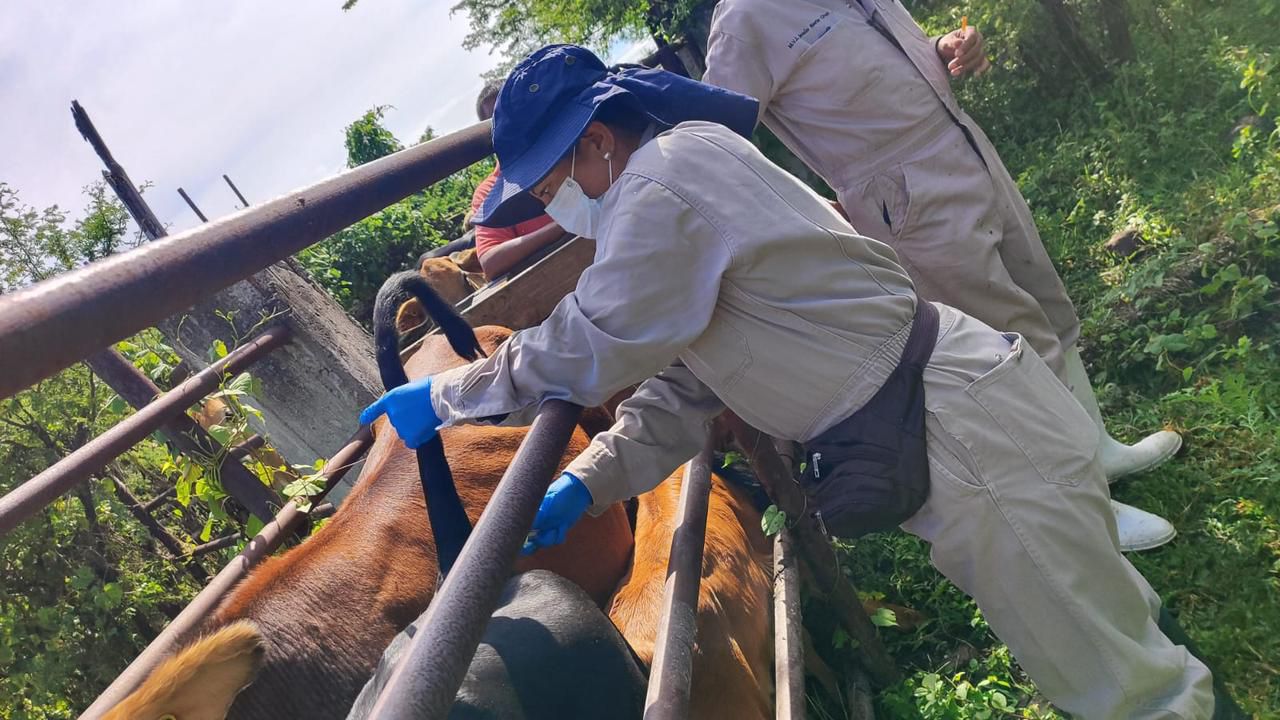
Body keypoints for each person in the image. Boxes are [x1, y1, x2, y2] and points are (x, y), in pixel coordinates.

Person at [359, 45, 1235, 719]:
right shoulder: (684, 168)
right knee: (1096, 612)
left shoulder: (662, 190)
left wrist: (448, 396)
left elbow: (590, 341)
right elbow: (687, 387)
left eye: (550, 187)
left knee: (1113, 675)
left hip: (957, 430)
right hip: (950, 412)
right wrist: (588, 481)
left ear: (596, 142)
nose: (550, 212)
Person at [699, 0, 1181, 551]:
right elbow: (721, 143)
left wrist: (941, 50)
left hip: (959, 141)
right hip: (900, 190)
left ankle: (1099, 450)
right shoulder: (744, 21)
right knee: (1010, 343)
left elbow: (884, 65)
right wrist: (813, 205)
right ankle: (1087, 510)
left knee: (1044, 300)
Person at [470, 81, 569, 281]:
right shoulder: (489, 191)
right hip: (558, 280)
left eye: (511, 115)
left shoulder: (561, 145)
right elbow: (491, 261)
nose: (508, 129)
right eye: (497, 123)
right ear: (490, 134)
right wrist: (562, 226)